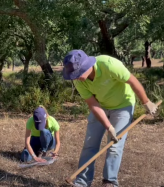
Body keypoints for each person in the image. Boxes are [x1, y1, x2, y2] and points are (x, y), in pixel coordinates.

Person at [62, 50, 158, 187]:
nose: (75, 77)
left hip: (123, 105)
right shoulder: (78, 80)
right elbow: (93, 104)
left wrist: (146, 102)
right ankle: (82, 182)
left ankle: (110, 181)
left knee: (114, 145)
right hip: (100, 106)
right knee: (90, 144)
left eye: (77, 73)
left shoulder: (108, 64)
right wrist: (109, 126)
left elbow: (132, 81)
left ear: (87, 66)